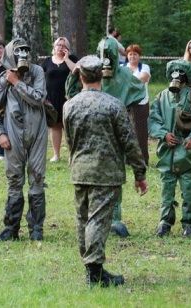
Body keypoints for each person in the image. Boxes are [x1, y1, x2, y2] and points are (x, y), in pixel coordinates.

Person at [63, 55, 148, 287]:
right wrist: (140, 174)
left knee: (83, 219)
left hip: (80, 170)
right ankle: (95, 273)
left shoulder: (69, 105)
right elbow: (129, 142)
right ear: (101, 75)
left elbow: (69, 140)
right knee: (97, 221)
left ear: (81, 77)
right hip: (106, 172)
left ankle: (91, 268)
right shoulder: (113, 105)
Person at [66, 36, 146, 237]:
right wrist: (75, 74)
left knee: (112, 178)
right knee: (93, 186)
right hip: (90, 131)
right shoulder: (92, 75)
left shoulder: (125, 76)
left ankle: (113, 219)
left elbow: (138, 93)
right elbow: (71, 94)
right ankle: (95, 227)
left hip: (113, 128)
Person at [0, 38, 48, 241]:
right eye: (18, 52)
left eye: (25, 52)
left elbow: (38, 97)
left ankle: (36, 229)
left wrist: (17, 83)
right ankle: (11, 228)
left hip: (37, 132)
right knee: (14, 179)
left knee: (37, 177)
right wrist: (0, 133)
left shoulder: (36, 72)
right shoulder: (4, 78)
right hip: (13, 134)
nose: (22, 56)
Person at [148, 59, 191, 237]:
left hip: (187, 150)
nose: (176, 75)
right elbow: (154, 119)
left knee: (188, 187)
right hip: (167, 152)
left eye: (180, 72)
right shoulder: (162, 96)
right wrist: (163, 134)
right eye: (174, 72)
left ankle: (190, 224)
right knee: (166, 187)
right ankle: (164, 222)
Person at [41, 37, 78, 162]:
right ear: (54, 47)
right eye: (58, 45)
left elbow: (76, 70)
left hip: (68, 97)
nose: (60, 47)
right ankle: (56, 154)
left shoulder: (72, 59)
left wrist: (66, 59)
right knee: (55, 126)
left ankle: (72, 154)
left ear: (67, 48)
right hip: (51, 98)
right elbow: (40, 77)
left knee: (69, 126)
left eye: (63, 45)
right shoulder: (47, 61)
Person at [123, 44, 151, 165]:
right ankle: (126, 160)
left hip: (141, 103)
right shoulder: (121, 67)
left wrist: (129, 76)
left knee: (141, 134)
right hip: (125, 103)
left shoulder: (144, 67)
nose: (132, 56)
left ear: (139, 56)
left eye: (135, 54)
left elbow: (142, 79)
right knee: (125, 132)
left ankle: (143, 160)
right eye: (130, 54)